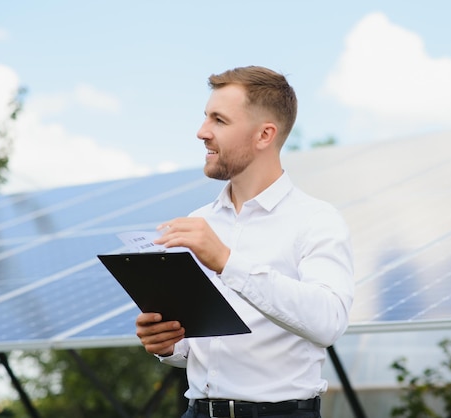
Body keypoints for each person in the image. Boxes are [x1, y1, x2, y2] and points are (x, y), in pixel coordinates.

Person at [135, 65, 354, 418]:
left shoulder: (316, 220)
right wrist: (169, 343)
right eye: (206, 118)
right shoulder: (199, 220)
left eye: (219, 121)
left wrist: (225, 260)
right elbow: (197, 348)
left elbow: (329, 322)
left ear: (264, 135)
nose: (201, 132)